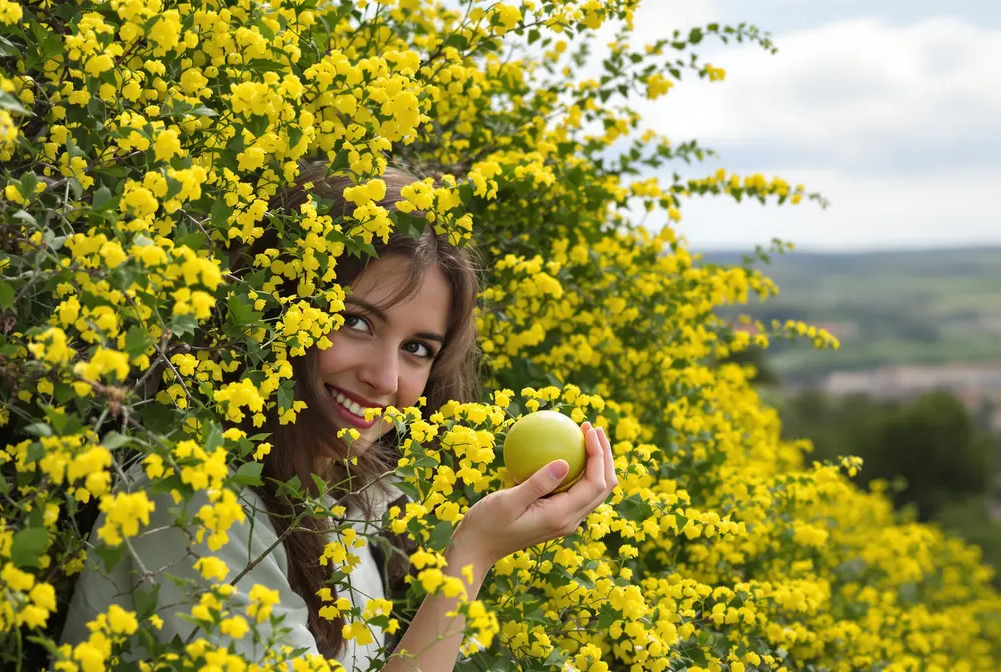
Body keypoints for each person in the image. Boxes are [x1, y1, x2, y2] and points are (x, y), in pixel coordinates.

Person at [60, 163, 619, 671]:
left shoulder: (361, 502)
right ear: (280, 308)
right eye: (356, 322)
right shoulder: (188, 500)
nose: (386, 378)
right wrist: (473, 553)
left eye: (417, 349)